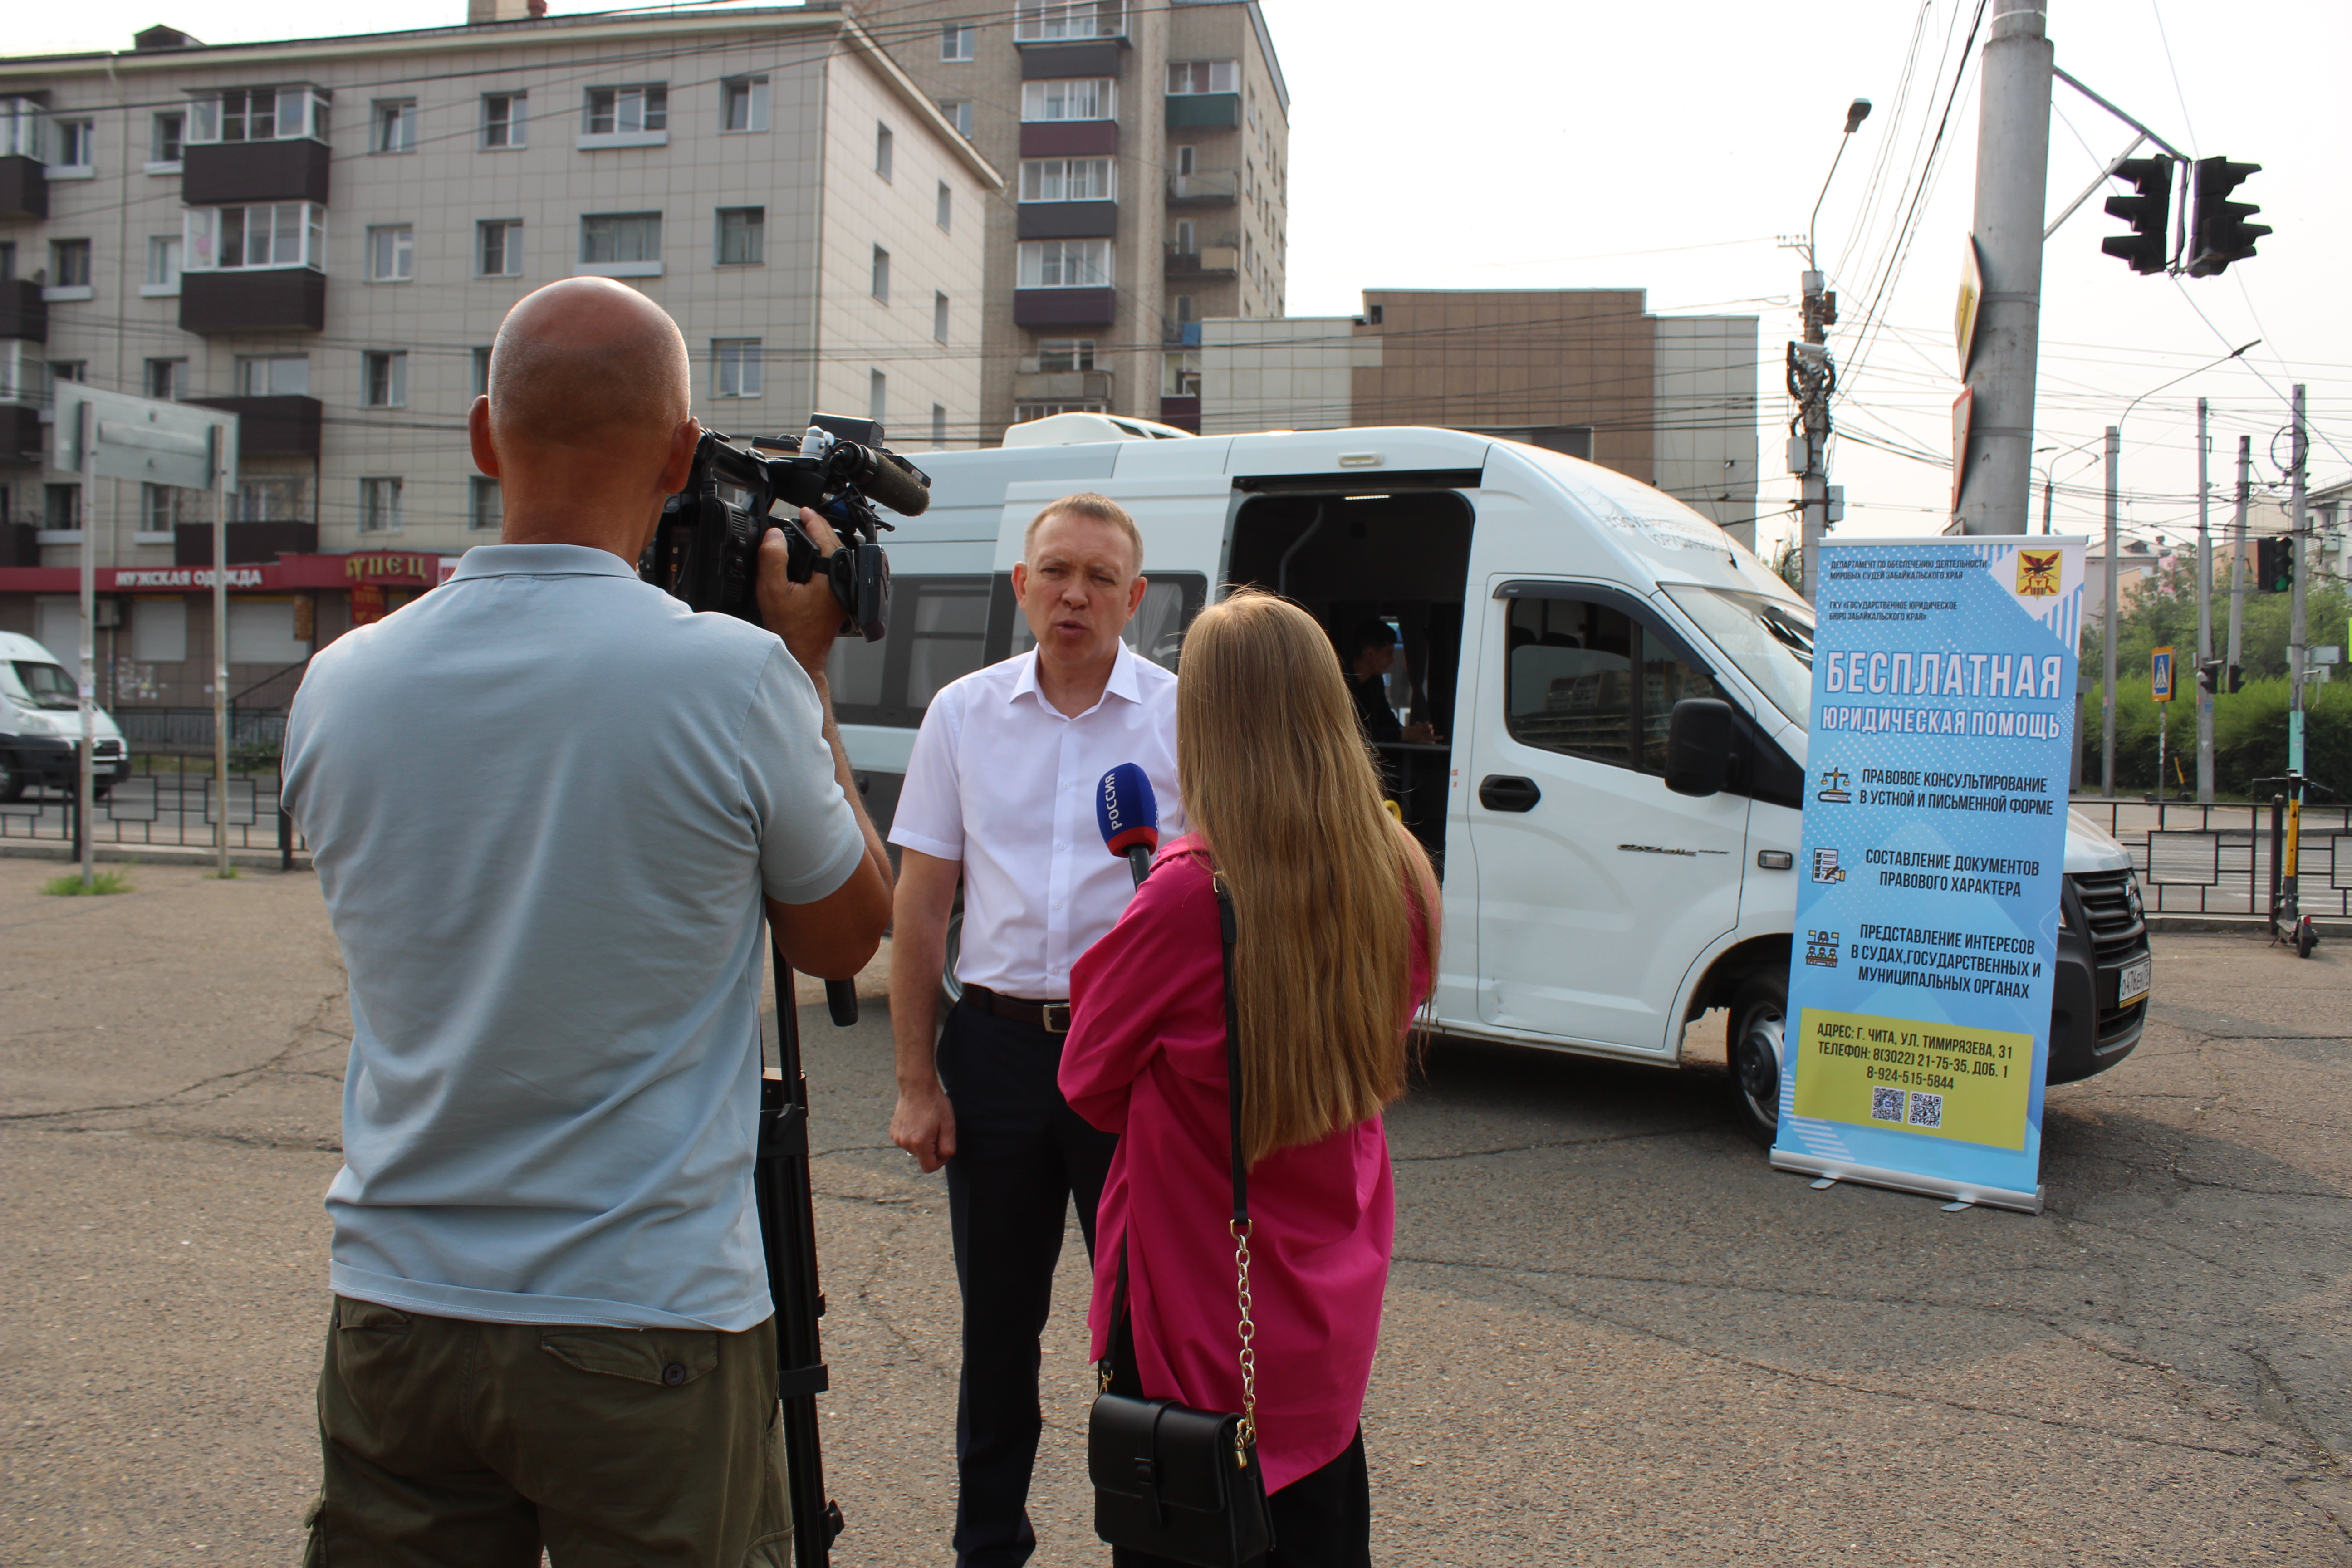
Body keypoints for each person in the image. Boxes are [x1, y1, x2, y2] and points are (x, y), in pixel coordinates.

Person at [280, 276, 894, 1566]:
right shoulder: (735, 680)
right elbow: (843, 939)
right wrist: (811, 673)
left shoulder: (339, 687)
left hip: (396, 1305)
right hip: (645, 1315)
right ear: (679, 457)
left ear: (481, 437)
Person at [1061, 589, 1440, 1568]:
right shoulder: (1399, 867)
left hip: (1202, 1325)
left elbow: (1089, 1080)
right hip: (1327, 1317)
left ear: (1207, 731)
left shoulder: (1189, 895)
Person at [885, 494, 1185, 1567]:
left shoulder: (1180, 716)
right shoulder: (962, 714)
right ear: (1020, 584)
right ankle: (987, 1546)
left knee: (1141, 1334)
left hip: (1134, 1061)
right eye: (1055, 570)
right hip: (999, 1050)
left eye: (1101, 578)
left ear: (1135, 599)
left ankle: (1146, 1542)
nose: (1074, 594)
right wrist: (917, 1079)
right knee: (996, 1334)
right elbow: (921, 905)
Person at [1342, 618, 1438, 745]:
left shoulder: (1375, 682)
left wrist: (1414, 732)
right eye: (1389, 653)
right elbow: (1351, 731)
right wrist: (1404, 735)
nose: (1392, 661)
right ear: (1370, 654)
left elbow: (1387, 720)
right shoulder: (1339, 682)